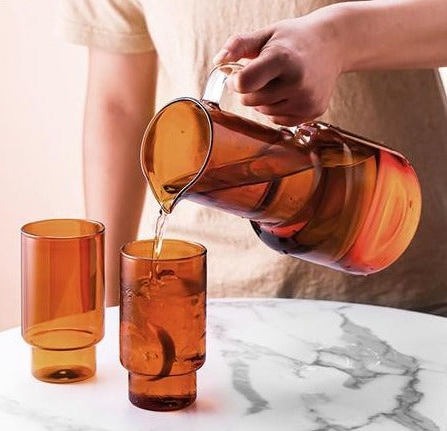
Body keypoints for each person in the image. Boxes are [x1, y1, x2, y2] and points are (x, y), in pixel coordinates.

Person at [58, 0, 447, 314]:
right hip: (205, 298)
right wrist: (106, 304)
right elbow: (118, 107)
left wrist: (338, 39)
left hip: (402, 279)